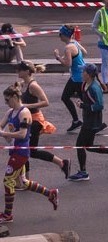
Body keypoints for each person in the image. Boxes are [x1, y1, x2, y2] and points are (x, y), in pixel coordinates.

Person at [1, 84, 58, 223]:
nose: (6, 103)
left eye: (7, 100)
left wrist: (4, 134)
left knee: (8, 181)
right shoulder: (10, 112)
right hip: (14, 150)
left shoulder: (24, 113)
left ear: (15, 97)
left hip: (21, 152)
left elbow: (22, 134)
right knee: (23, 182)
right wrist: (5, 134)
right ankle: (50, 194)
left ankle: (8, 214)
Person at [15, 61, 70, 179]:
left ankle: (25, 180)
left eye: (20, 70)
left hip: (35, 121)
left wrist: (25, 106)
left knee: (26, 150)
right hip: (27, 120)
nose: (17, 71)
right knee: (27, 150)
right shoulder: (22, 84)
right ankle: (62, 163)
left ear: (27, 71)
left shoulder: (33, 86)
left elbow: (45, 102)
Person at [69, 63, 108, 180]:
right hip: (88, 120)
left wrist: (83, 106)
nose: (81, 73)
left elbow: (99, 106)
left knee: (80, 146)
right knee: (88, 146)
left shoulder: (94, 88)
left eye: (83, 71)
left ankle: (83, 172)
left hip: (92, 122)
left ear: (88, 74)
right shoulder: (86, 84)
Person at [53, 24, 85, 132]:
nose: (59, 36)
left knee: (66, 98)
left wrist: (58, 57)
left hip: (77, 78)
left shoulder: (67, 48)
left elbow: (68, 64)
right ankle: (80, 121)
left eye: (60, 34)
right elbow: (84, 52)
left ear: (64, 35)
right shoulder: (74, 43)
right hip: (81, 75)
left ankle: (81, 121)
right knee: (85, 100)